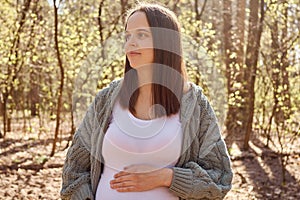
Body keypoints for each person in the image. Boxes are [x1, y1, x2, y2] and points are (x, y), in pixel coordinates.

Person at [61, 2, 233, 200]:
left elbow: (220, 178)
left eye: (141, 35)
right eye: (128, 36)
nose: (130, 43)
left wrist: (165, 177)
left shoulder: (195, 105)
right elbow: (74, 172)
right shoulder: (106, 100)